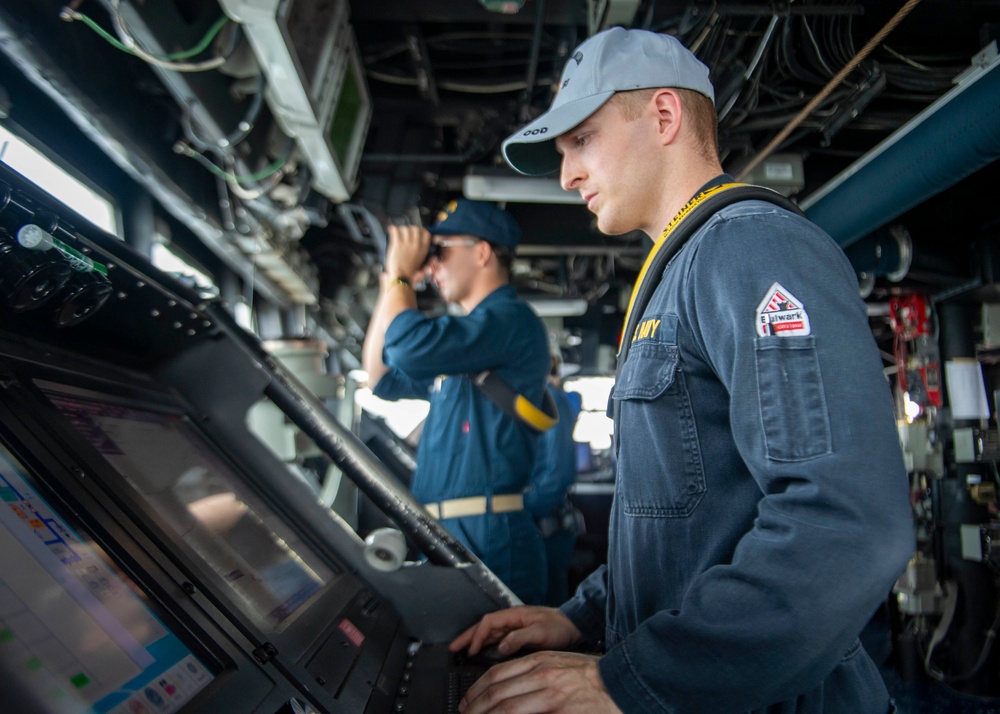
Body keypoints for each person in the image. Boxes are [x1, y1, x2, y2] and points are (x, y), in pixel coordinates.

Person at [449, 27, 915, 714]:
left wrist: (635, 679)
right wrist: (583, 617)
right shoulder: (677, 274)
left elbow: (846, 521)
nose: (567, 175)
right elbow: (685, 523)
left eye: (582, 140)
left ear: (664, 115)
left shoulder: (749, 247)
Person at [362, 198, 551, 605]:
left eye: (440, 252)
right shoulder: (466, 344)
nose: (432, 266)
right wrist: (393, 281)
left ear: (482, 252)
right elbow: (380, 376)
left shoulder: (510, 321)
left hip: (490, 536)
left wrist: (402, 277)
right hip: (444, 534)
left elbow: (408, 349)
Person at [524, 348, 583, 606]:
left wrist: (518, 511)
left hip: (543, 528)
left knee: (544, 609)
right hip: (539, 525)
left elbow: (557, 475)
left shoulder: (551, 400)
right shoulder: (537, 400)